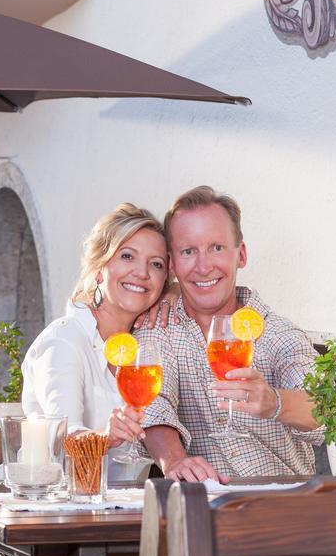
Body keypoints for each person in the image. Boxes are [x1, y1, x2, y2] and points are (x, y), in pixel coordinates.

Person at [111, 186, 324, 482]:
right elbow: (153, 405)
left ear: (242, 254)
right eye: (188, 251)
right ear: (172, 264)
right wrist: (174, 461)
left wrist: (274, 402)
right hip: (203, 511)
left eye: (217, 248)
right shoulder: (159, 328)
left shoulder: (279, 335)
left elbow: (326, 408)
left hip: (282, 508)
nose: (203, 266)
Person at [21, 202, 169, 462]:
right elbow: (62, 437)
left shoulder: (145, 346)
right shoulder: (64, 340)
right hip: (53, 494)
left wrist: (175, 293)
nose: (142, 273)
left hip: (123, 499)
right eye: (127, 256)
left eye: (156, 264)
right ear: (99, 269)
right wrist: (106, 437)